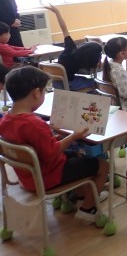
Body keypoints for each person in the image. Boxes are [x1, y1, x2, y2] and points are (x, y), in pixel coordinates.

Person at [0, 66, 109, 222]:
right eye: (44, 91)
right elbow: (51, 152)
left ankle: (81, 197)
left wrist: (55, 138)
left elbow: (35, 146)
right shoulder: (34, 123)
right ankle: (88, 209)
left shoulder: (6, 119)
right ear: (36, 93)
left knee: (76, 155)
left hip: (28, 176)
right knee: (102, 166)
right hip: (47, 177)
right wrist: (74, 136)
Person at [44, 5, 102, 91]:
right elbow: (96, 68)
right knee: (96, 82)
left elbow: (64, 29)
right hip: (68, 84)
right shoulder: (82, 61)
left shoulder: (71, 47)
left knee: (84, 79)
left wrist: (57, 12)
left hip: (56, 84)